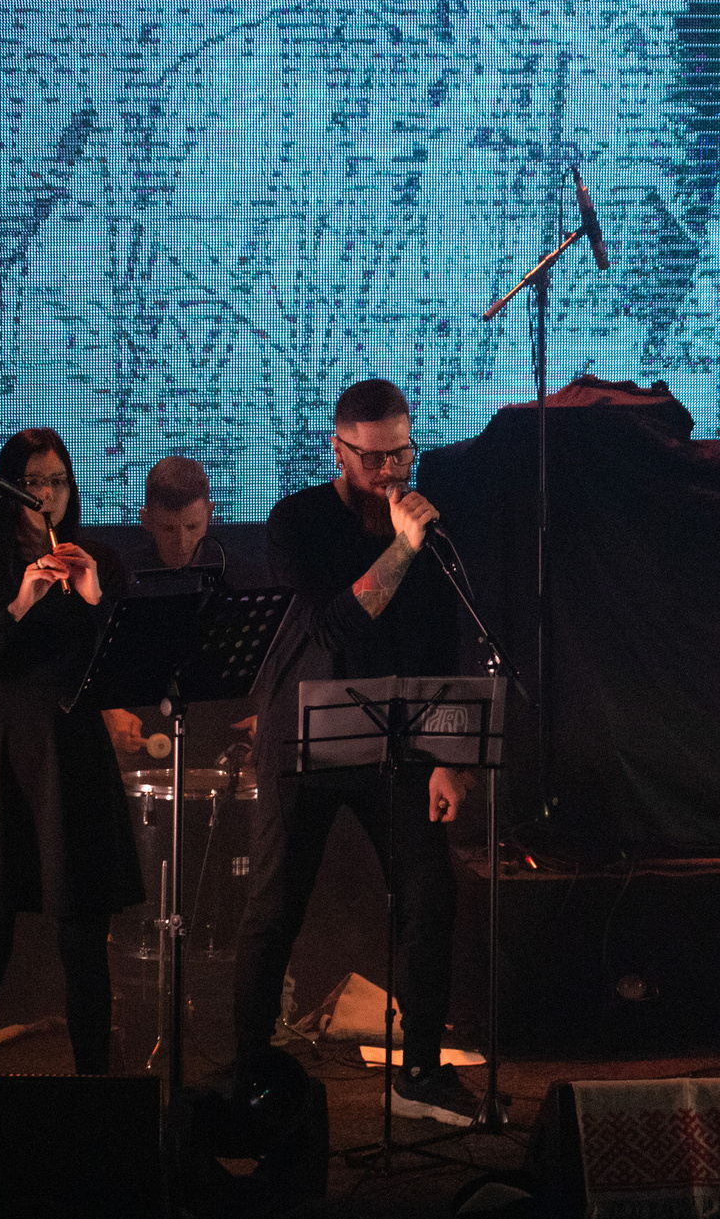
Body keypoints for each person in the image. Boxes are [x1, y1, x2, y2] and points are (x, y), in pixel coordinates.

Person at [232, 379, 478, 1125]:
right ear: (337, 450)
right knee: (276, 909)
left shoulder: (429, 530)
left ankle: (420, 1075)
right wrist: (400, 550)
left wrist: (452, 758)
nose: (391, 472)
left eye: (402, 451)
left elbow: (448, 645)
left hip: (395, 741)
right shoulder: (297, 521)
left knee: (432, 890)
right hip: (303, 737)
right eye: (372, 458)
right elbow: (336, 624)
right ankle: (246, 1074)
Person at [0, 427, 141, 1075]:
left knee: (84, 943)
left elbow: (125, 669)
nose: (47, 494)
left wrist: (96, 601)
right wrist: (19, 605)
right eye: (33, 483)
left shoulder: (99, 560)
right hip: (5, 761)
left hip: (73, 757)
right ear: (7, 489)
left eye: (57, 480)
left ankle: (96, 1095)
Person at [101, 455, 258, 765]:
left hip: (227, 740)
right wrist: (110, 712)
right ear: (146, 520)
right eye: (169, 529)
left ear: (210, 513)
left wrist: (266, 711)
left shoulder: (245, 577)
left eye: (192, 526)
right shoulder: (118, 577)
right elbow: (89, 662)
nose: (183, 542)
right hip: (144, 739)